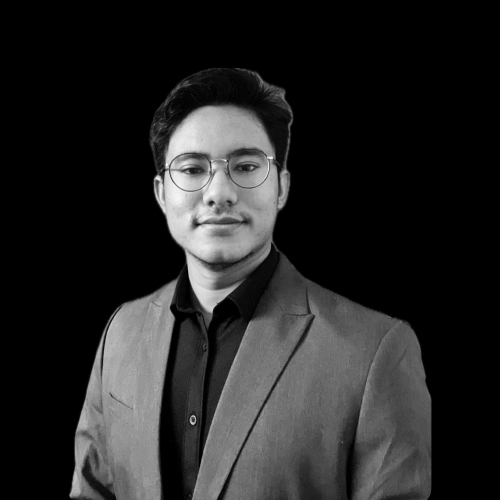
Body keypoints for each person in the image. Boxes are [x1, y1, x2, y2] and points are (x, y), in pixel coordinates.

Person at [70, 68, 431, 500]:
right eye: (192, 169)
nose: (219, 193)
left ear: (281, 187)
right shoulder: (121, 332)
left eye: (245, 166)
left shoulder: (376, 351)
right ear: (161, 193)